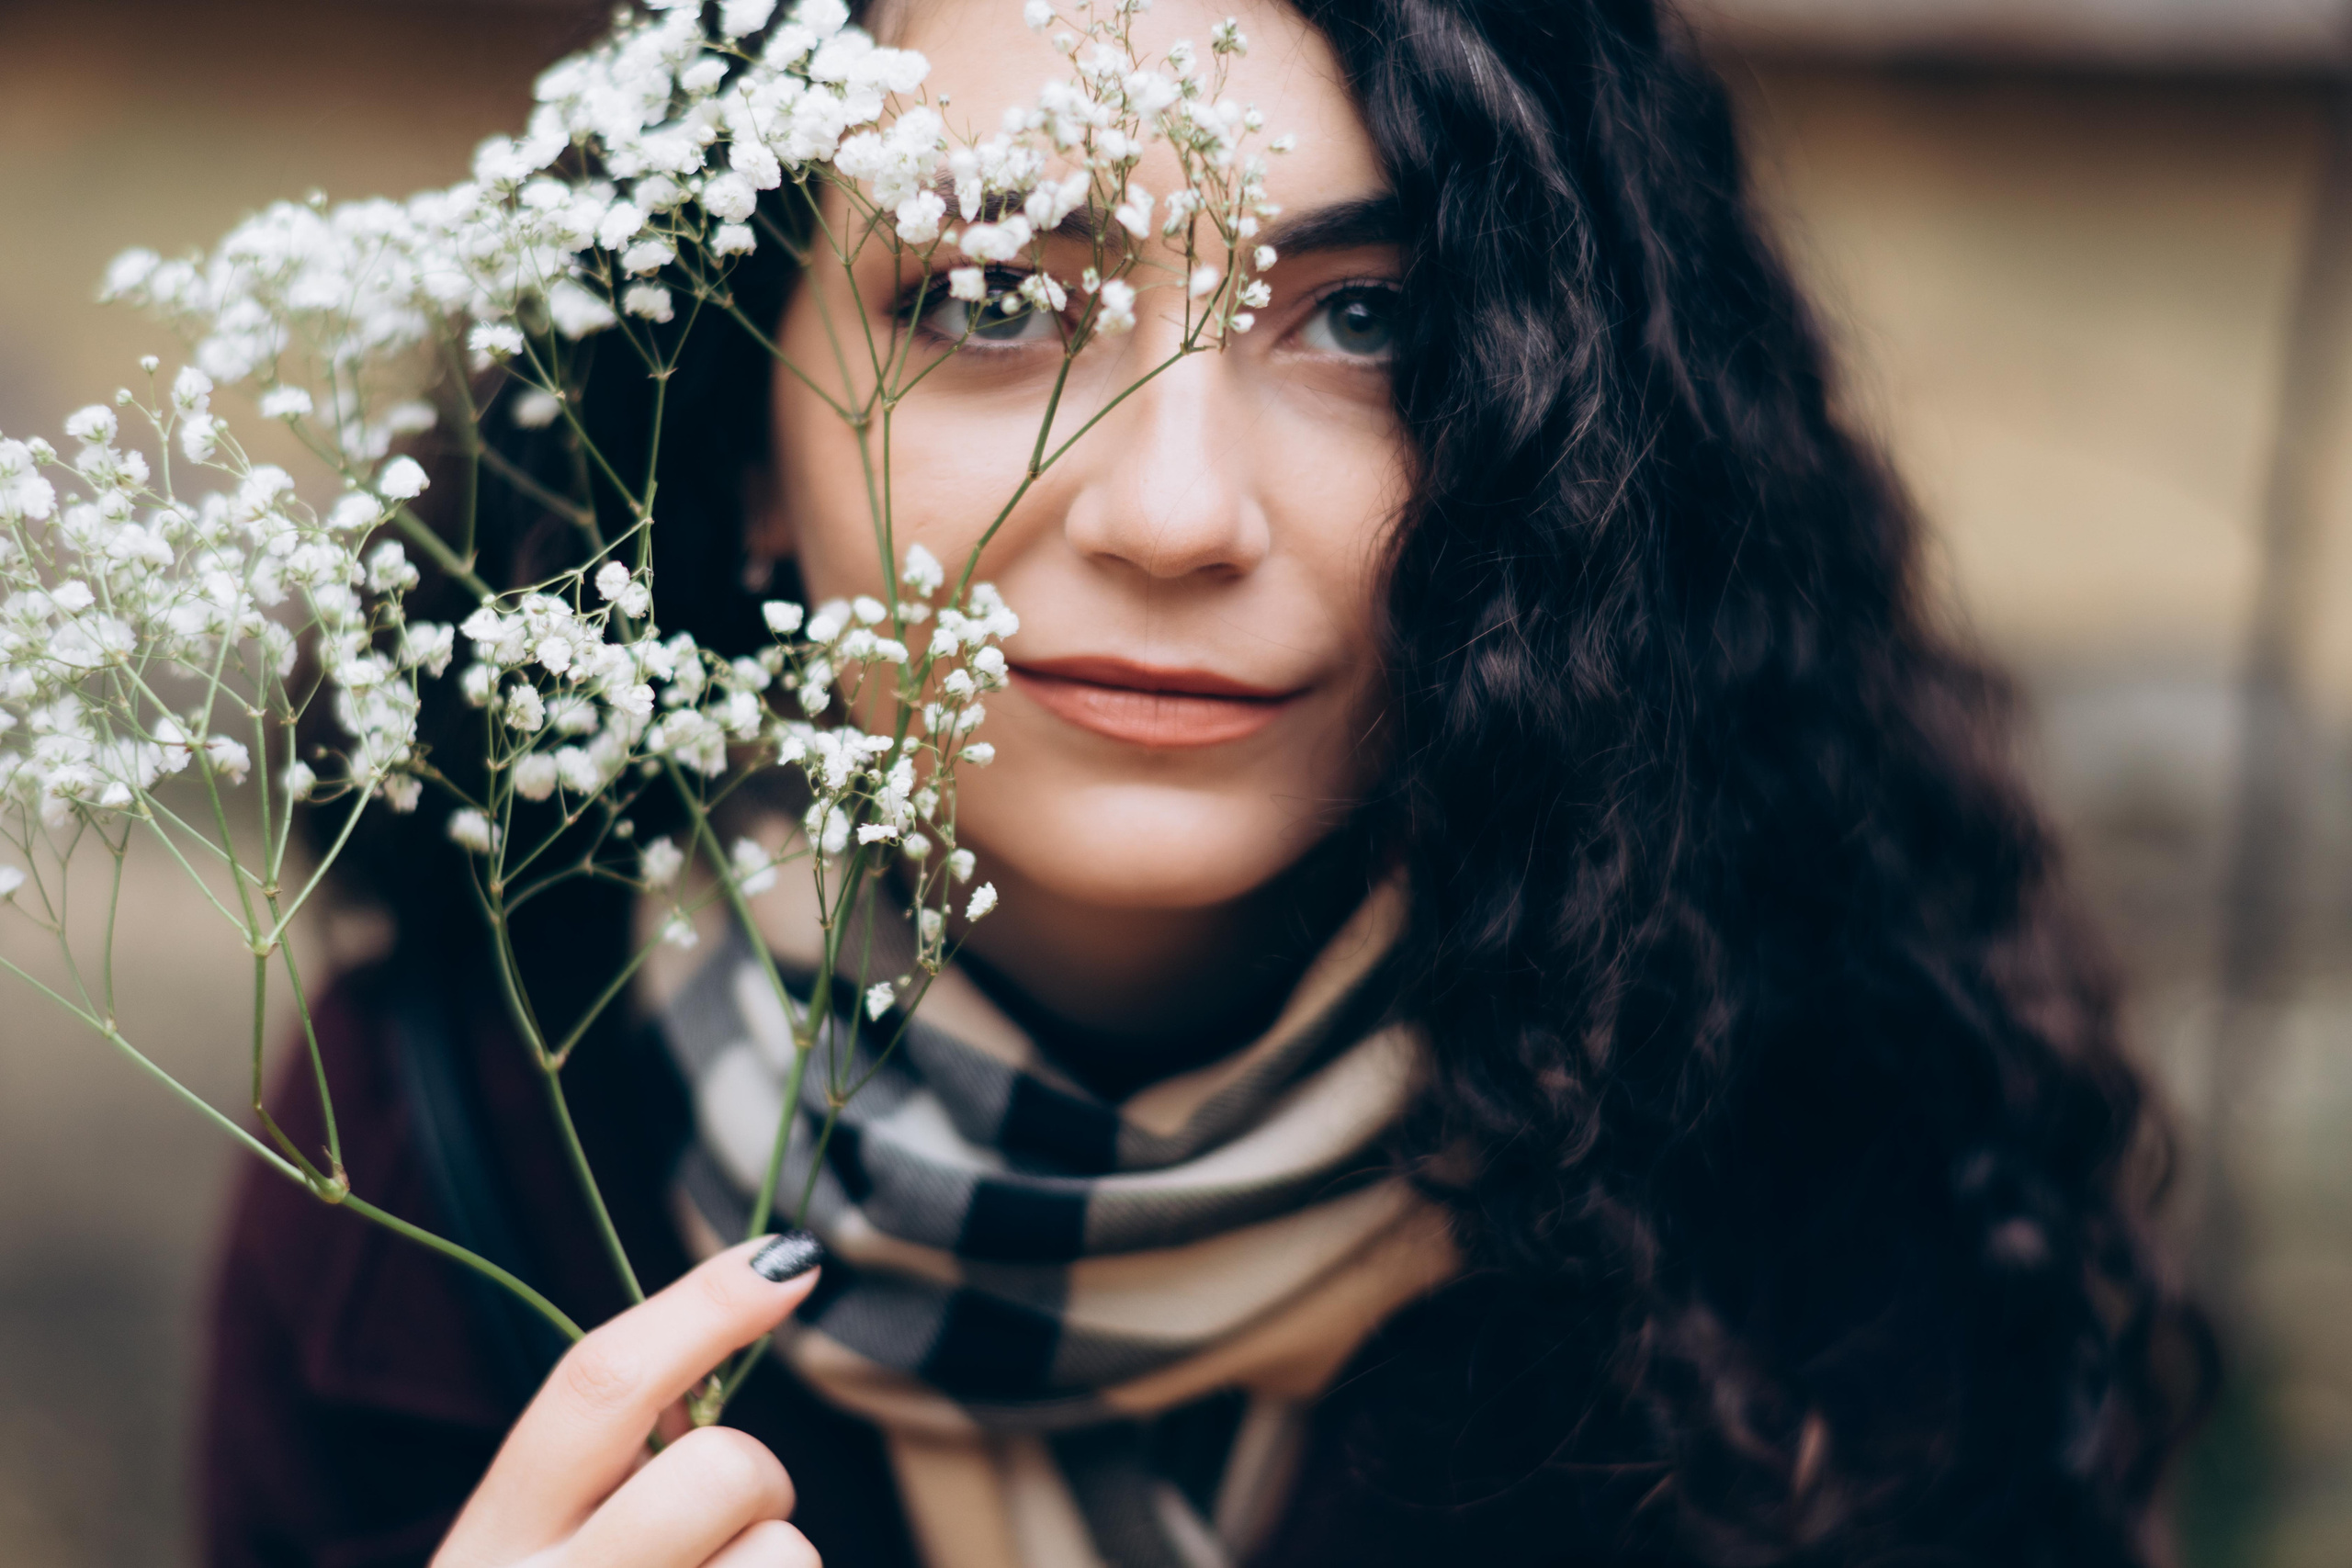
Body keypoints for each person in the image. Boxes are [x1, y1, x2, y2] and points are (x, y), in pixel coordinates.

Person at [200, 0, 2214, 1564]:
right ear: (735, 434)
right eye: (990, 303)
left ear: (1558, 413)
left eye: (1369, 319)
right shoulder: (438, 1146)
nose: (1172, 509)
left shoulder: (1818, 1160)